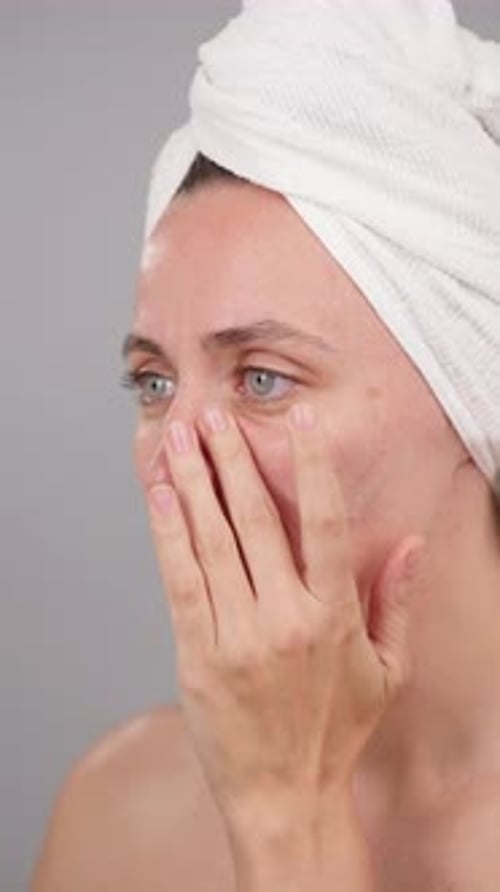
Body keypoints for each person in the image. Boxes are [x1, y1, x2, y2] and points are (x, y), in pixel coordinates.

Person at [32, 2, 500, 890]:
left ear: (473, 395)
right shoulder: (117, 816)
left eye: (261, 378)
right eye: (154, 383)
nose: (180, 454)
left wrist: (292, 823)